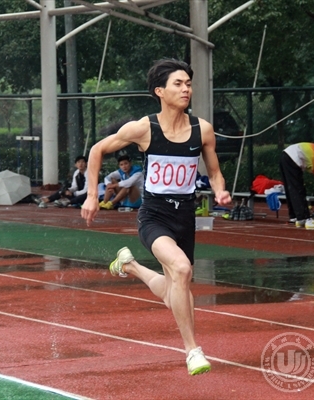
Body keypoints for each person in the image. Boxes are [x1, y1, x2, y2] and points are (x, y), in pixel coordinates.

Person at [81, 59, 231, 375]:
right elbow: (96, 150)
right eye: (178, 83)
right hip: (154, 216)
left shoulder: (202, 130)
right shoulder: (143, 128)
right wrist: (93, 196)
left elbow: (215, 172)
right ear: (159, 91)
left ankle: (131, 266)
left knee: (176, 290)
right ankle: (192, 351)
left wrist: (220, 192)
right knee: (181, 269)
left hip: (185, 216)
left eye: (188, 83)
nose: (186, 89)